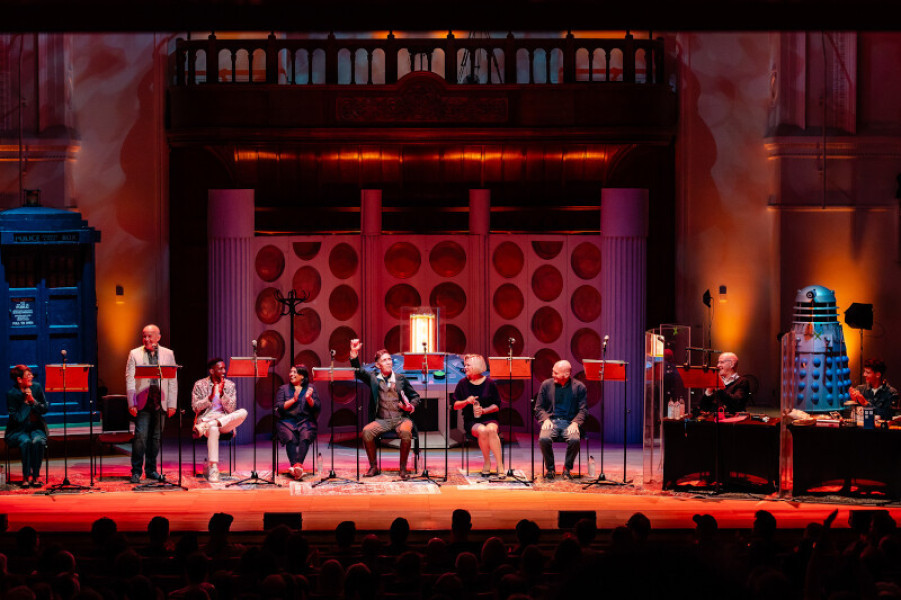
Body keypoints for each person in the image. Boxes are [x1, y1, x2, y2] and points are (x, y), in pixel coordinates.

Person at [349, 339, 420, 479]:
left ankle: (403, 468)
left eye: (389, 359)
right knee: (367, 432)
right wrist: (354, 353)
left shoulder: (401, 379)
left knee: (406, 432)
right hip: (382, 420)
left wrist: (410, 406)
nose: (388, 362)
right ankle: (373, 466)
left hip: (401, 418)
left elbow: (415, 397)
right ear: (377, 364)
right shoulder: (373, 378)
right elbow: (358, 371)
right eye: (384, 360)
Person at [125, 324, 178, 484]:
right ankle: (136, 471)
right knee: (140, 436)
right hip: (142, 400)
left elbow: (172, 380)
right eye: (144, 336)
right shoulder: (134, 353)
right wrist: (132, 401)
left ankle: (151, 470)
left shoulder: (168, 354)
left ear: (158, 337)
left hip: (160, 401)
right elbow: (130, 379)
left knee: (155, 438)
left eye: (150, 336)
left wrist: (172, 403)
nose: (147, 339)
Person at [191, 358, 248, 483]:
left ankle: (209, 425)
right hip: (206, 419)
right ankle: (213, 467)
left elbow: (231, 408)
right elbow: (195, 407)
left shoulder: (229, 385)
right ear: (212, 371)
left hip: (224, 421)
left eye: (224, 368)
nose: (224, 371)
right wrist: (209, 398)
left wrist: (223, 395)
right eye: (220, 369)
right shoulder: (200, 384)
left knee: (243, 412)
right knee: (213, 429)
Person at [534, 360, 588, 481]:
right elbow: (538, 408)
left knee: (575, 439)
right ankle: (550, 469)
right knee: (543, 439)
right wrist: (545, 419)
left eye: (555, 372)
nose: (552, 374)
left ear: (566, 375)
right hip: (551, 422)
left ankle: (566, 469)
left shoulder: (579, 387)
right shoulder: (546, 385)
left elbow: (583, 410)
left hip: (569, 422)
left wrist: (575, 423)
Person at [452, 353, 503, 476]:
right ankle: (487, 462)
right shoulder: (462, 383)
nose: (465, 368)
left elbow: (497, 406)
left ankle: (500, 466)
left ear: (476, 366)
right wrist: (466, 401)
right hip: (472, 421)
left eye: (468, 365)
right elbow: (455, 405)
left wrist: (484, 411)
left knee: (491, 429)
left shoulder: (489, 383)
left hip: (489, 417)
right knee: (483, 430)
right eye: (465, 365)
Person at [5, 365, 49, 488]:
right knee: (26, 441)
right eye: (28, 375)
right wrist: (26, 402)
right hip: (17, 430)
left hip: (36, 428)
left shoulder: (37, 387)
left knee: (38, 441)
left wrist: (33, 401)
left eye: (31, 375)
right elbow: (18, 418)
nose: (31, 377)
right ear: (19, 379)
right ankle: (25, 476)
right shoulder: (11, 394)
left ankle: (36, 475)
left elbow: (44, 409)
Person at [276, 364, 320, 480]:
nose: (291, 374)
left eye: (295, 372)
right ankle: (296, 466)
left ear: (302, 376)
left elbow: (317, 407)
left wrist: (309, 399)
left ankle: (297, 465)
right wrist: (293, 400)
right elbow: (279, 407)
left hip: (306, 420)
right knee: (289, 435)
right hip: (287, 421)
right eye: (291, 372)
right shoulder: (283, 389)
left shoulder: (311, 388)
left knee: (306, 434)